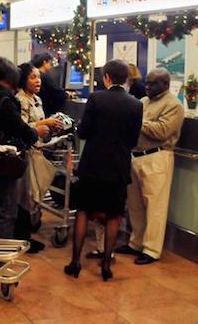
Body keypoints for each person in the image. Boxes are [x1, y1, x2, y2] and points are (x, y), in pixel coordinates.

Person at [64, 59, 143, 282]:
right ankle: (107, 265)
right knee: (113, 216)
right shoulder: (136, 105)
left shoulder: (96, 98)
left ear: (106, 77)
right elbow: (133, 140)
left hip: (92, 166)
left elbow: (84, 132)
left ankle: (75, 262)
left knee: (82, 211)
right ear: (126, 78)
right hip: (118, 168)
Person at [0, 57, 48, 268]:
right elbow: (18, 127)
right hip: (4, 161)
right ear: (11, 76)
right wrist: (36, 132)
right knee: (6, 210)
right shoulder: (6, 100)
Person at [116, 68, 184, 265]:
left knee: (155, 207)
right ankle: (136, 243)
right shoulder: (143, 102)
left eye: (152, 83)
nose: (147, 86)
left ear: (165, 84)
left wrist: (138, 121)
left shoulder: (174, 105)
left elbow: (162, 131)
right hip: (135, 156)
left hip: (157, 157)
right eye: (146, 82)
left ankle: (152, 249)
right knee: (135, 205)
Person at [15, 63, 62, 253]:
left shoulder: (37, 100)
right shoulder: (19, 100)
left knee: (33, 196)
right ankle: (22, 238)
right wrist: (45, 122)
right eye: (33, 77)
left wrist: (53, 127)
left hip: (38, 151)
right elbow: (22, 126)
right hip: (25, 154)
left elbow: (41, 127)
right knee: (25, 196)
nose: (38, 81)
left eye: (39, 77)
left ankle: (27, 234)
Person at [32, 53, 67, 117]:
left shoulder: (33, 76)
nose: (51, 66)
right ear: (44, 62)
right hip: (46, 111)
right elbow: (57, 93)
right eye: (50, 63)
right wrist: (66, 94)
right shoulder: (45, 77)